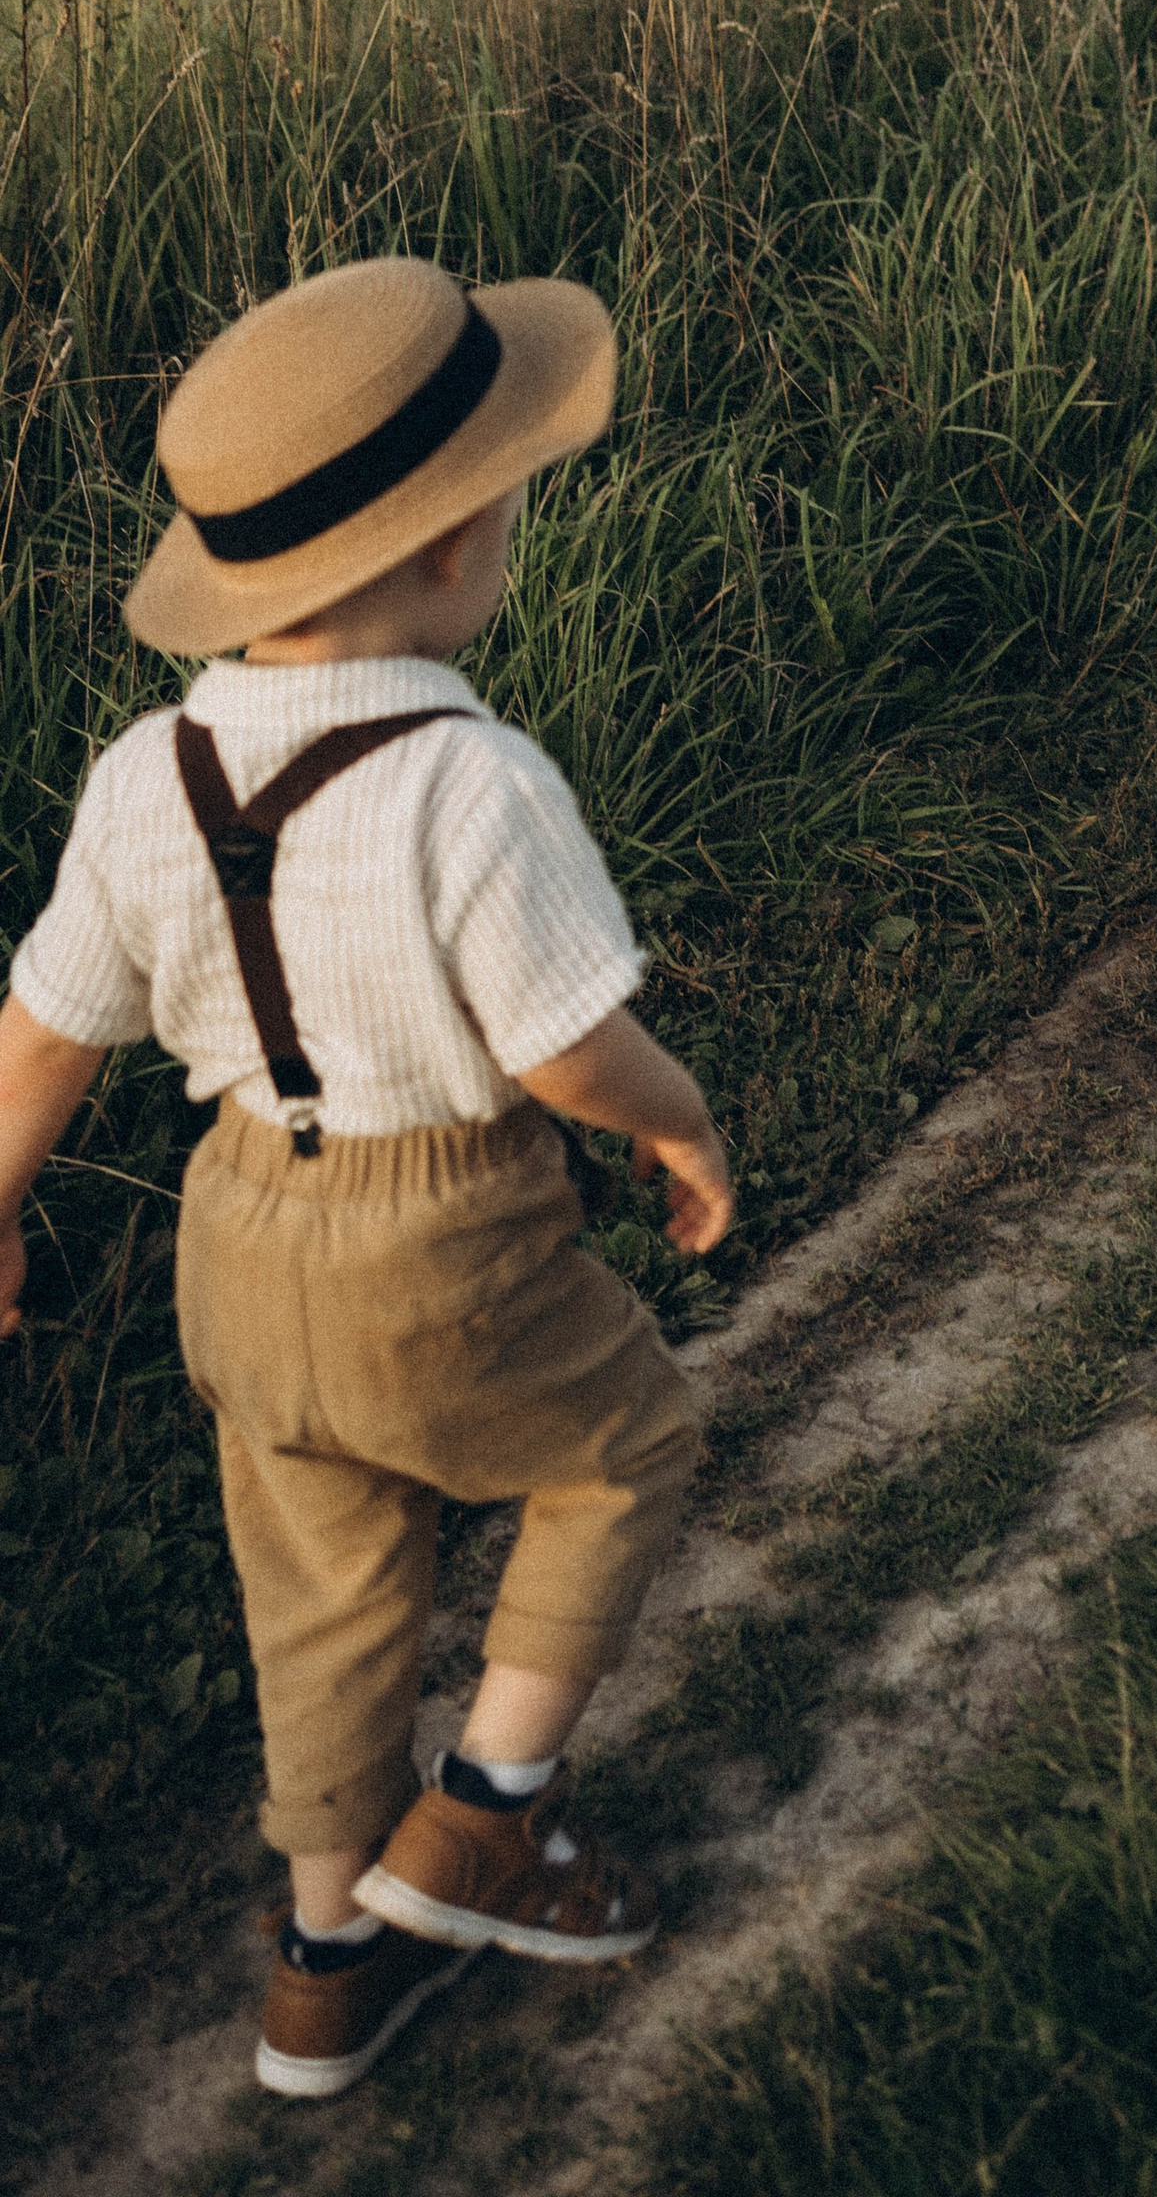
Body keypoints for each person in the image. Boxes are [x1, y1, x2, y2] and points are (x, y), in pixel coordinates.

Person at [0, 258, 732, 2101]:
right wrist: (677, 1122)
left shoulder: (137, 775)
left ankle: (327, 1966)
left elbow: (45, 1033)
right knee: (620, 1446)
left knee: (319, 1591)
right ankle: (484, 1816)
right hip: (448, 1236)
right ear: (447, 548)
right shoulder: (471, 781)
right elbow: (566, 1044)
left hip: (233, 1239)